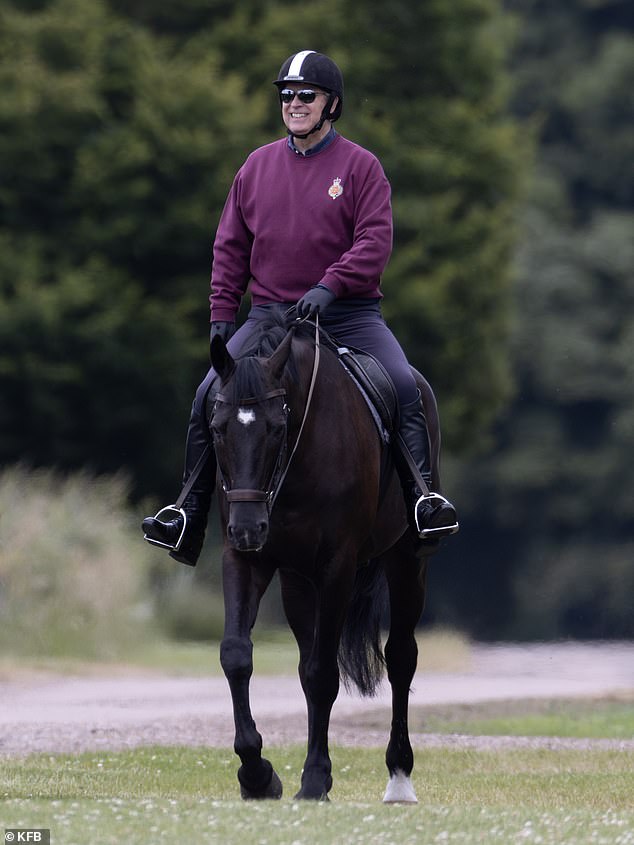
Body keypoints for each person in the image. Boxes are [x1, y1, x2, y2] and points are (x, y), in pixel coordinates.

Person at [143, 49, 458, 566]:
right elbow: (230, 247)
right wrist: (223, 314)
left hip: (348, 315)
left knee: (404, 386)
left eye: (305, 95)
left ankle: (422, 501)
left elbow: (374, 242)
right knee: (206, 394)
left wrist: (330, 287)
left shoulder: (361, 167)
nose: (293, 104)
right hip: (268, 316)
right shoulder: (255, 166)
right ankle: (187, 513)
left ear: (331, 104)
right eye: (286, 95)